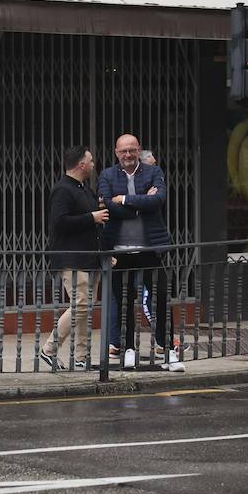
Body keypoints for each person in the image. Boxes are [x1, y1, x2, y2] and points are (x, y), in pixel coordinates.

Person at [98, 133, 182, 371]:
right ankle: (128, 350)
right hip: (118, 250)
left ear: (139, 150)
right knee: (124, 302)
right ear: (116, 153)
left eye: (132, 150)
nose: (128, 155)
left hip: (149, 248)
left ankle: (167, 348)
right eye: (123, 151)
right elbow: (107, 204)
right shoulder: (107, 175)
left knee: (162, 296)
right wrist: (140, 203)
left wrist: (124, 198)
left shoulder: (153, 172)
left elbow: (159, 199)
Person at [41, 146, 107, 372]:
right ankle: (49, 349)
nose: (93, 164)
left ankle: (81, 357)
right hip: (71, 257)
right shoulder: (62, 190)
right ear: (81, 164)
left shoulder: (84, 190)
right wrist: (91, 217)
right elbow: (60, 222)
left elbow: (95, 225)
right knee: (81, 304)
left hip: (90, 257)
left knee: (85, 308)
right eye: (90, 160)